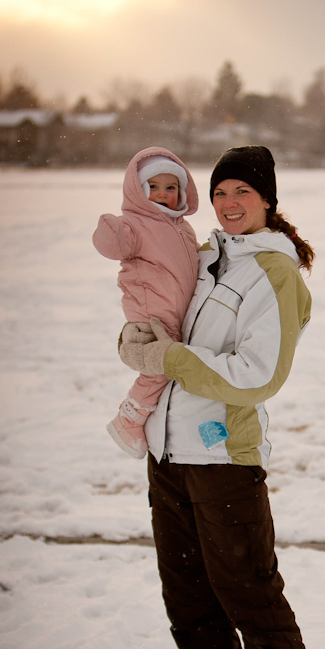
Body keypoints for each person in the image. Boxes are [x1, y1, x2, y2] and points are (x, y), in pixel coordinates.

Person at [119, 145, 325, 649]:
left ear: (267, 199)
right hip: (171, 454)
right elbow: (160, 315)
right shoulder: (207, 258)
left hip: (225, 461)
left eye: (243, 191)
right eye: (221, 192)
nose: (230, 203)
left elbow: (258, 375)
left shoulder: (274, 275)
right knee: (188, 596)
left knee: (252, 599)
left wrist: (170, 359)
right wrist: (136, 340)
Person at [93, 146, 200, 459]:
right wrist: (112, 230)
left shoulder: (183, 227)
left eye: (170, 187)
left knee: (174, 365)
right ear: (137, 191)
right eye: (152, 187)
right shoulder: (134, 225)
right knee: (160, 366)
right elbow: (115, 244)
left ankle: (157, 420)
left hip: (175, 311)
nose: (162, 194)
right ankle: (129, 418)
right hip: (151, 311)